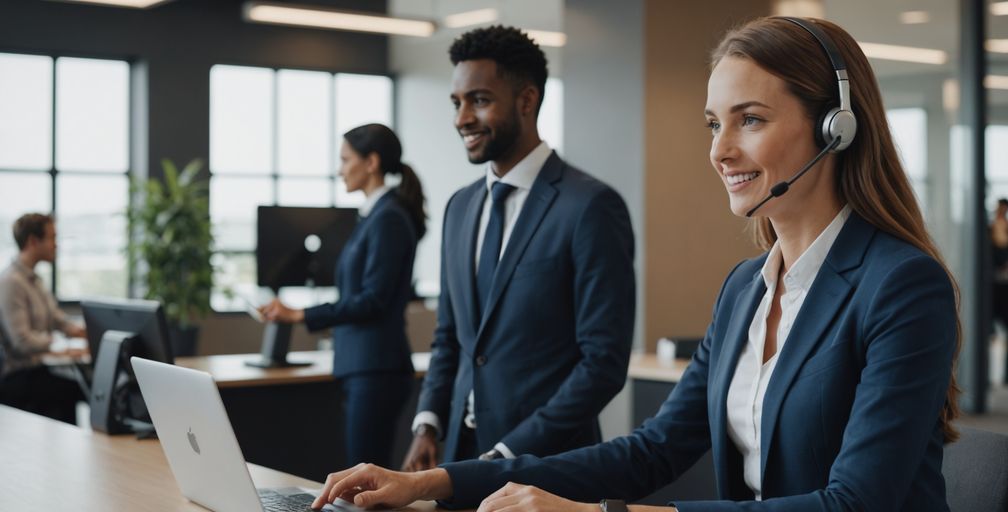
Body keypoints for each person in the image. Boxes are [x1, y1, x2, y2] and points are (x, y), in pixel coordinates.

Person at [311, 16, 960, 512]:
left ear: (835, 129)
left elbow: (854, 503)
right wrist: (437, 479)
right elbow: (652, 451)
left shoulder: (901, 287)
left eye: (750, 120)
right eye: (713, 124)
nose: (721, 151)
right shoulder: (746, 291)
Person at [401, 25, 636, 470]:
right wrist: (428, 424)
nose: (462, 118)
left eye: (480, 100)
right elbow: (449, 337)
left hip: (547, 465)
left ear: (526, 101)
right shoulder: (460, 207)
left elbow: (602, 364)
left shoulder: (590, 207)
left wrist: (509, 452)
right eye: (457, 103)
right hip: (457, 457)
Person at [260, 123, 425, 468]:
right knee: (360, 477)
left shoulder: (389, 219)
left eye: (345, 159)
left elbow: (373, 300)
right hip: (363, 367)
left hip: (376, 368)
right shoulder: (374, 216)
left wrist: (301, 314)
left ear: (372, 162)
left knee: (365, 481)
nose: (339, 170)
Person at [0, 213, 88, 424]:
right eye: (52, 238)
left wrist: (88, 333)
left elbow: (59, 320)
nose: (56, 245)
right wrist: (60, 347)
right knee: (74, 389)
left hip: (38, 370)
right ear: (33, 241)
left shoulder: (35, 280)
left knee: (82, 386)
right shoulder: (12, 282)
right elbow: (22, 342)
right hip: (17, 376)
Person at [991, 198, 1008, 385]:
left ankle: (1007, 375)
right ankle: (986, 377)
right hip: (992, 290)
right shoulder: (989, 230)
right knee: (988, 332)